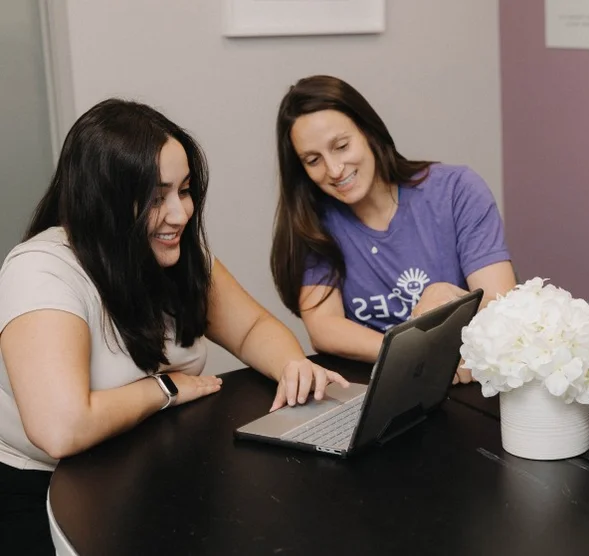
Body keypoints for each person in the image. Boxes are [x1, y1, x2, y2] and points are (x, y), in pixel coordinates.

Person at [0, 98, 348, 554]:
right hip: (43, 491)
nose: (181, 214)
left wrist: (291, 363)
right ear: (103, 200)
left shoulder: (178, 256)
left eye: (184, 190)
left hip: (143, 469)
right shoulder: (41, 271)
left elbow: (250, 329)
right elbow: (60, 429)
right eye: (157, 196)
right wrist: (164, 390)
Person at [271, 75, 516, 379]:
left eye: (342, 146)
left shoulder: (457, 191)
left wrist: (443, 297)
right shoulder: (315, 222)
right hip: (384, 385)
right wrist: (415, 354)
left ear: (369, 132)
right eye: (313, 160)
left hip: (469, 381)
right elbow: (324, 328)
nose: (334, 170)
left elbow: (502, 307)